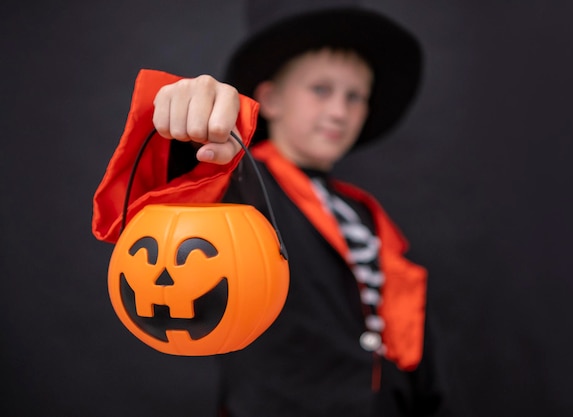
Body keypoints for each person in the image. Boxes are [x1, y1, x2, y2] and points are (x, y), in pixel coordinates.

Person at [93, 5, 439, 416]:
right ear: (271, 99)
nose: (339, 111)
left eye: (355, 96)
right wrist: (195, 125)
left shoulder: (362, 213)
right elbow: (186, 195)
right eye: (321, 90)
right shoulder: (243, 188)